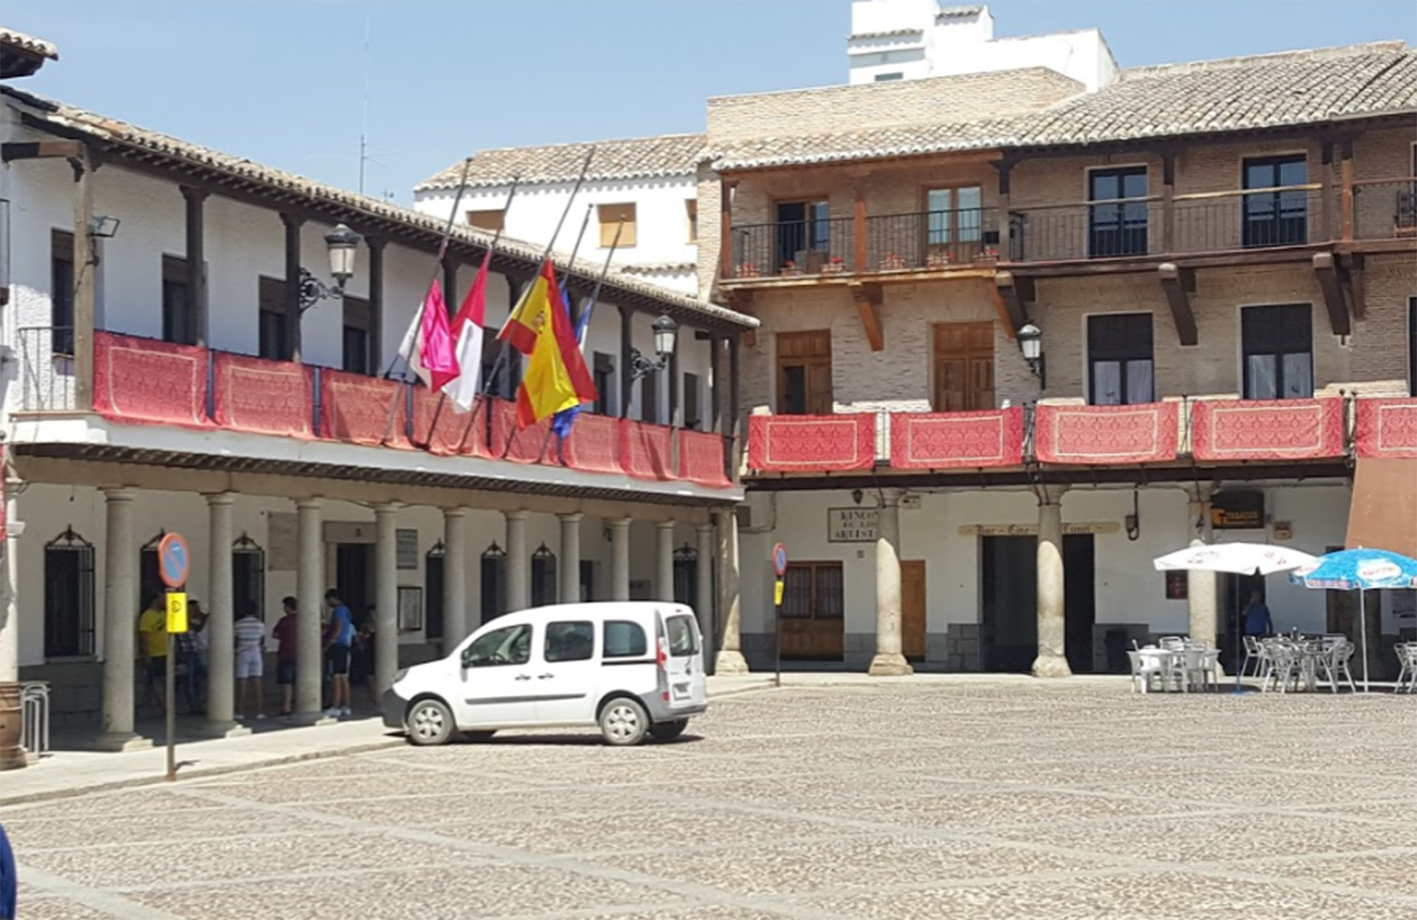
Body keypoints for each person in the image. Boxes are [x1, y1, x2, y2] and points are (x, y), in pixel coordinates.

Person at [324, 589, 355, 718]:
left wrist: (330, 641)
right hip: (345, 645)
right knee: (343, 676)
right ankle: (345, 705)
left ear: (332, 599)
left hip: (338, 646)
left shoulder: (338, 611)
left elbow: (338, 626)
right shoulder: (346, 610)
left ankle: (335, 705)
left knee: (336, 676)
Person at [233, 605, 267, 721]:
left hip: (243, 652)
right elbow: (262, 640)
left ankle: (240, 711)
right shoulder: (260, 624)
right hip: (256, 652)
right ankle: (260, 711)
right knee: (257, 682)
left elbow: (235, 639)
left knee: (242, 683)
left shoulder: (238, 624)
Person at [175, 599, 208, 715]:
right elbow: (195, 627)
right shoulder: (182, 620)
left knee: (201, 676)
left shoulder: (192, 621)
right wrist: (203, 618)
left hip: (195, 652)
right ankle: (193, 706)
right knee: (189, 681)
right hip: (186, 654)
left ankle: (197, 703)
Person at [137, 594, 168, 709]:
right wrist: (146, 655)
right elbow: (143, 636)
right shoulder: (147, 616)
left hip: (166, 652)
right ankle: (165, 706)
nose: (165, 602)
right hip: (155, 653)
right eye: (163, 599)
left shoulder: (164, 614)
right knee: (157, 680)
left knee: (167, 680)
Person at [272, 596, 299, 717]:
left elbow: (275, 634)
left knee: (286, 682)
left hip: (286, 653)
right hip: (301, 654)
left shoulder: (284, 621)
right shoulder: (303, 620)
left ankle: (286, 707)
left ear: (288, 607)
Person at [351, 606, 379, 711]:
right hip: (370, 650)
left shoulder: (370, 626)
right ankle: (374, 698)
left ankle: (374, 698)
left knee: (371, 675)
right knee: (371, 675)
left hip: (371, 650)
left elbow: (362, 637)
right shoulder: (370, 625)